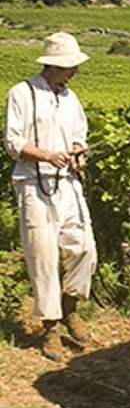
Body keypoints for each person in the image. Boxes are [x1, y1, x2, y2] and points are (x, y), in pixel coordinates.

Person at [4, 31, 98, 361]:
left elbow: (79, 138)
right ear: (53, 65)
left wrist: (77, 153)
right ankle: (50, 328)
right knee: (43, 258)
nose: (74, 71)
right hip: (34, 185)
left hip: (68, 184)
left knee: (85, 249)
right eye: (69, 66)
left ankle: (70, 306)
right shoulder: (22, 93)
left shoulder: (71, 98)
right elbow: (13, 143)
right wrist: (46, 155)